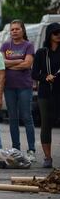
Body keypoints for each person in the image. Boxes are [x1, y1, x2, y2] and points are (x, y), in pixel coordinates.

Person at [0, 20, 35, 161]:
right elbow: (1, 62)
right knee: (12, 118)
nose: (14, 31)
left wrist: (10, 64)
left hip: (25, 86)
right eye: (12, 29)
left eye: (17, 29)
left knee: (27, 117)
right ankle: (15, 149)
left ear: (23, 30)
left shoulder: (28, 45)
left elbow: (27, 64)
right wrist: (18, 61)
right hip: (9, 87)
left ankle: (31, 149)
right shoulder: (5, 45)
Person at [32, 22, 60, 168]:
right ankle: (47, 157)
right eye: (56, 33)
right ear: (50, 35)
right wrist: (45, 77)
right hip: (46, 93)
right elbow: (34, 73)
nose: (59, 35)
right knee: (46, 124)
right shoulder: (42, 52)